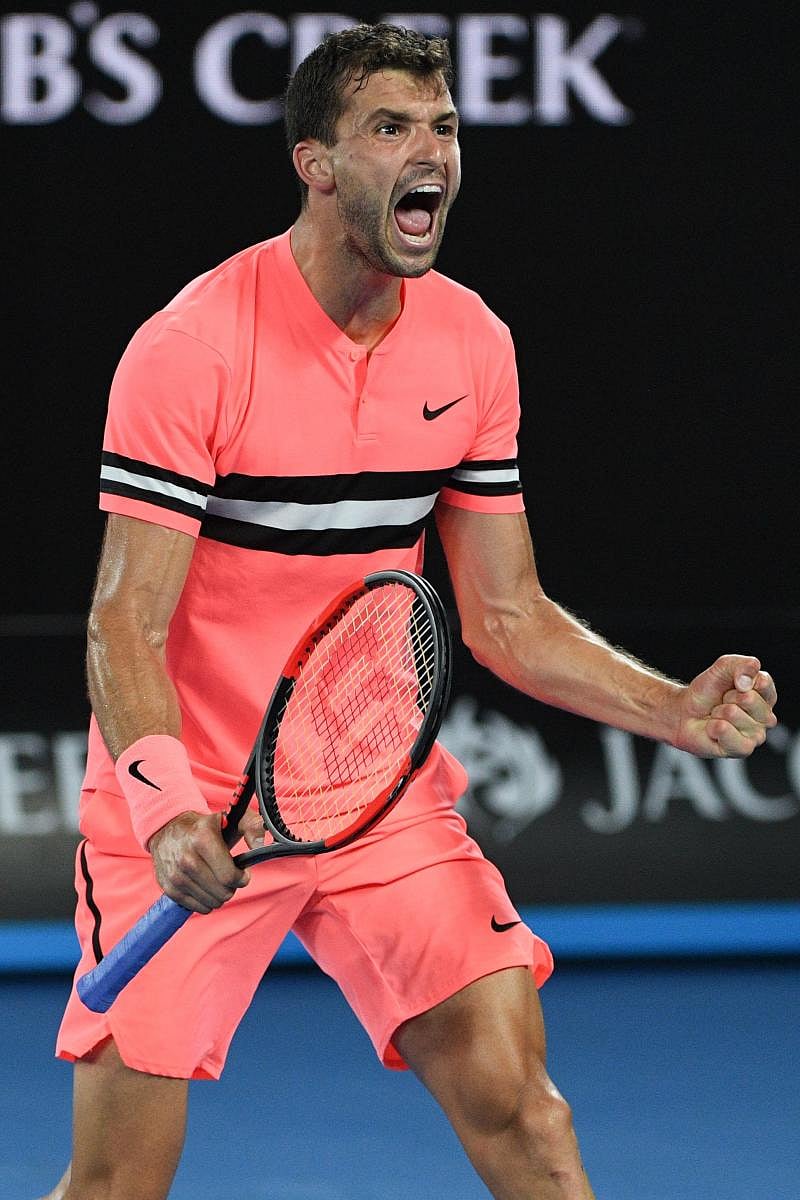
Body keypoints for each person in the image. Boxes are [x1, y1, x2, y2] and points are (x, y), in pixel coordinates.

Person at [41, 23, 777, 1200]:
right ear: (315, 163)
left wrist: (672, 709)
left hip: (376, 797)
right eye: (389, 126)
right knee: (118, 1182)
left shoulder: (472, 343)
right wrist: (169, 809)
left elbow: (506, 616)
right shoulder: (188, 349)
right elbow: (121, 625)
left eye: (440, 126)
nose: (427, 149)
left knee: (523, 1114)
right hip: (189, 804)